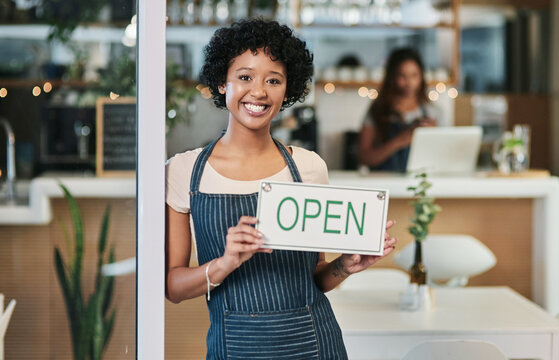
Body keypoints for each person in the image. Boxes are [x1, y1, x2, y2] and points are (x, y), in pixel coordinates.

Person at [165, 19, 397, 359]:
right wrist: (226, 263)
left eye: (273, 80)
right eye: (244, 77)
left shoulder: (309, 167)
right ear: (221, 82)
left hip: (315, 344)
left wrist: (343, 267)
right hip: (234, 348)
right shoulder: (185, 171)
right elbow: (173, 287)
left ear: (287, 90)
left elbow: (314, 278)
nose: (258, 92)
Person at [358, 47, 440, 172]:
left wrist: (435, 135)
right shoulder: (377, 111)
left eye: (414, 75)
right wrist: (399, 141)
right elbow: (364, 157)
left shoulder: (432, 112)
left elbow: (440, 158)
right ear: (392, 77)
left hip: (419, 181)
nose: (409, 82)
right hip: (384, 182)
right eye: (402, 76)